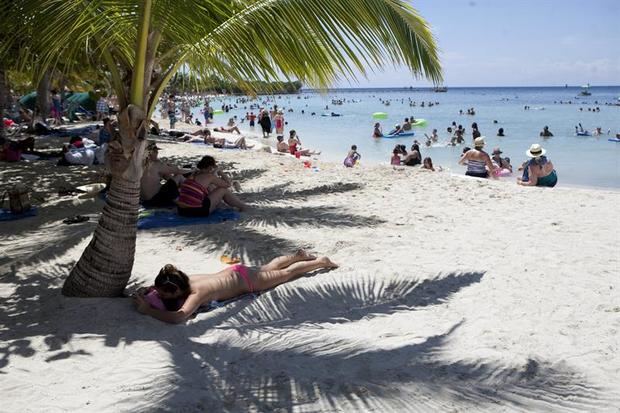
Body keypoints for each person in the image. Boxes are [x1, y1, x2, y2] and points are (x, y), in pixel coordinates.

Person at [132, 251, 339, 324]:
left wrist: (148, 310)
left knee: (287, 274)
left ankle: (320, 262)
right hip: (239, 271)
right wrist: (146, 290)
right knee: (268, 267)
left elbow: (179, 317)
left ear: (176, 291)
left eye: (162, 294)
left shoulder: (197, 292)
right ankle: (298, 256)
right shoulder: (187, 279)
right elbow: (159, 286)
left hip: (248, 283)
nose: (158, 294)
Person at [176, 155, 247, 216]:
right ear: (210, 167)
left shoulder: (192, 174)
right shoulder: (209, 177)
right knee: (222, 190)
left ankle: (226, 205)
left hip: (181, 210)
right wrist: (220, 171)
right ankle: (243, 206)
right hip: (196, 211)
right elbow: (228, 184)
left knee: (211, 188)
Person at [140, 142, 190, 207]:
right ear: (149, 153)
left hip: (144, 200)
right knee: (179, 177)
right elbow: (177, 171)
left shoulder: (141, 163)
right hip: (155, 199)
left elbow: (166, 176)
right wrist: (193, 170)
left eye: (157, 151)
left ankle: (183, 195)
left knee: (169, 178)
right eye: (155, 151)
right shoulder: (155, 164)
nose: (157, 153)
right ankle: (190, 194)